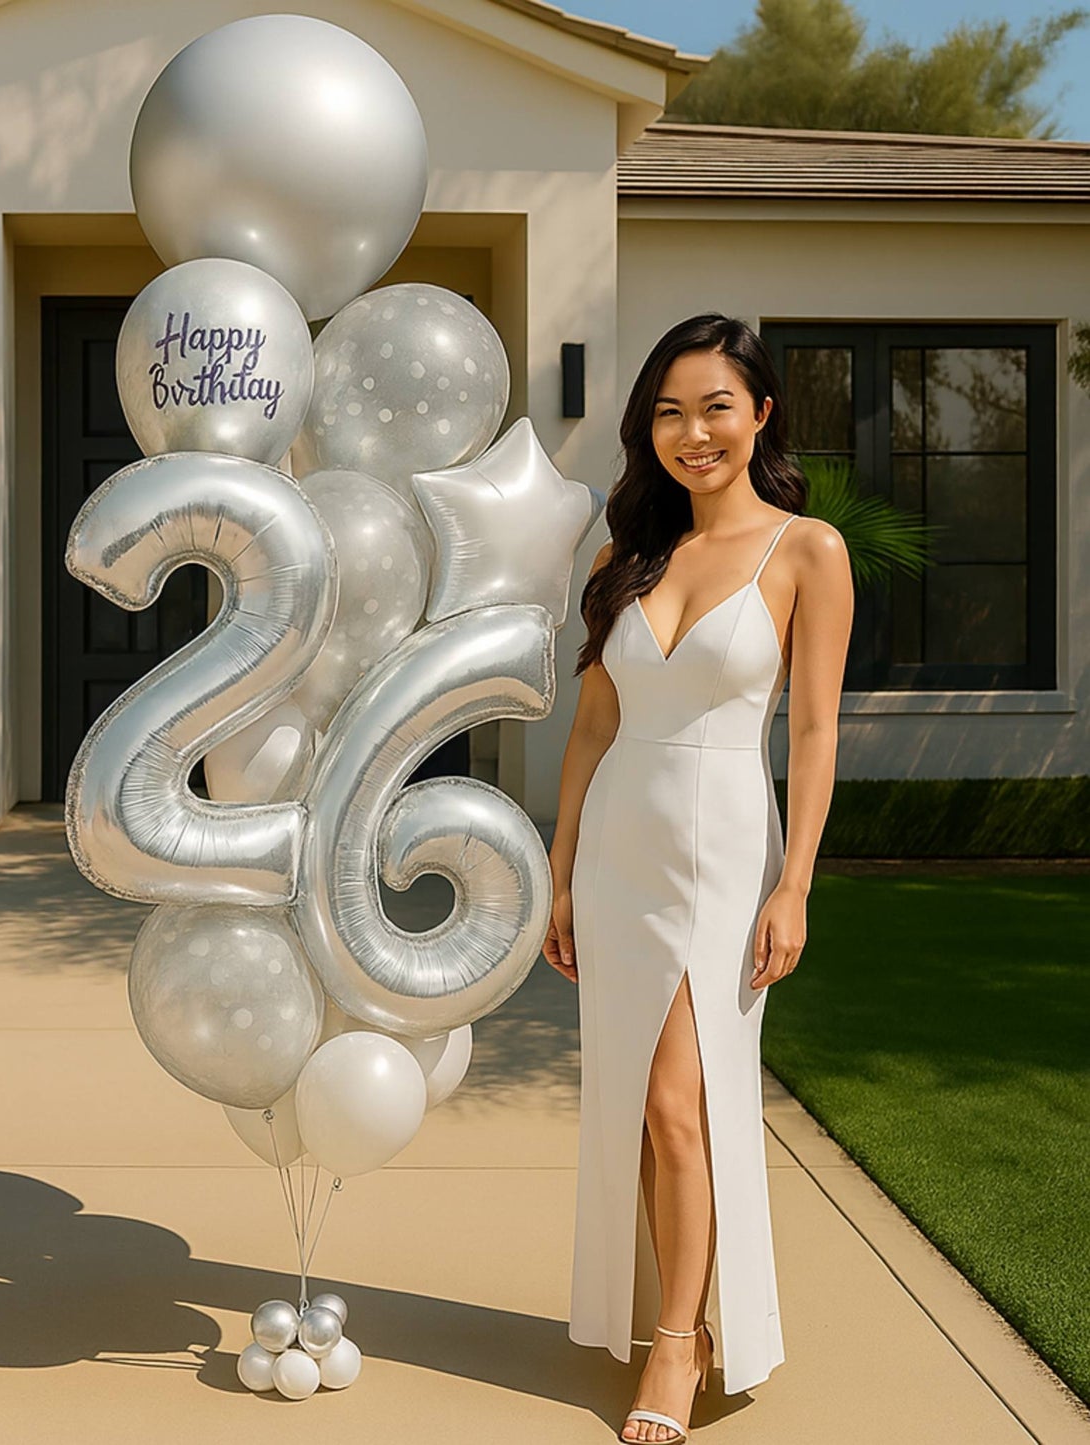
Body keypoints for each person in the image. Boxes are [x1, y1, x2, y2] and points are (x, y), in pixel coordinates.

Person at [543, 313, 854, 1442]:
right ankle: (681, 1312)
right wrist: (562, 867)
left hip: (726, 845)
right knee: (637, 1098)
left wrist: (796, 883)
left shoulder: (805, 550)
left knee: (684, 1100)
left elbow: (813, 731)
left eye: (715, 405)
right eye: (668, 412)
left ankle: (678, 1343)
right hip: (620, 838)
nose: (692, 432)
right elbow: (589, 727)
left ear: (760, 412)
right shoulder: (623, 557)